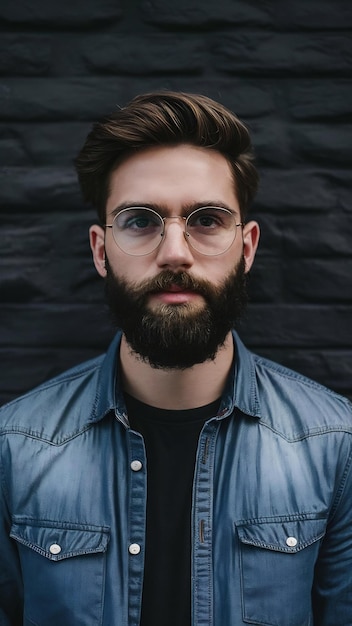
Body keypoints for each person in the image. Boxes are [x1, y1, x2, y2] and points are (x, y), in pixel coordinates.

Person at [0, 91, 351, 626]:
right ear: (100, 250)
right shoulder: (13, 447)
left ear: (248, 247)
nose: (175, 252)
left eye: (207, 220)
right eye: (140, 221)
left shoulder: (336, 447)